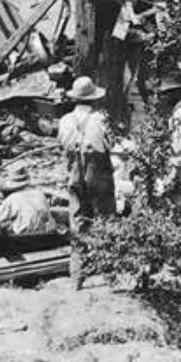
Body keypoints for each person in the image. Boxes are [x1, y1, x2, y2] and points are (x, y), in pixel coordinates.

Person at [59, 77, 115, 288]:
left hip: (74, 175)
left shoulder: (65, 121)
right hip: (98, 174)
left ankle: (77, 277)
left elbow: (62, 146)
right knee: (105, 220)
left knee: (78, 222)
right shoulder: (101, 119)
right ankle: (109, 274)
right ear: (94, 99)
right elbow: (111, 144)